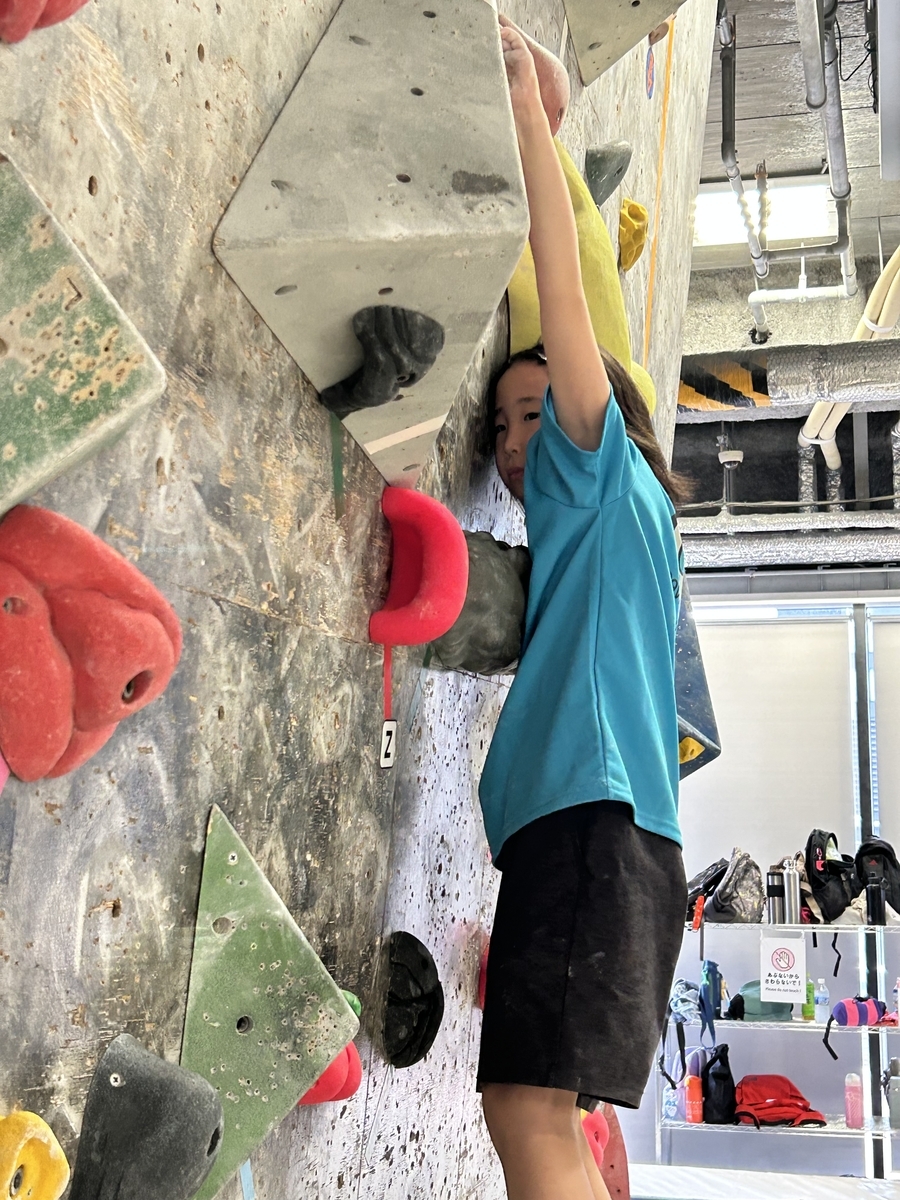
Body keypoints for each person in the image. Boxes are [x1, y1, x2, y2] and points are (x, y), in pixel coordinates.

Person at [476, 20, 691, 1200]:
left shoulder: (596, 462)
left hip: (594, 827)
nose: (516, 443)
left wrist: (528, 112)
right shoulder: (631, 527)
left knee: (527, 1115)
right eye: (503, 426)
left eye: (532, 411)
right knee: (542, 1115)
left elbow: (567, 290)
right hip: (615, 840)